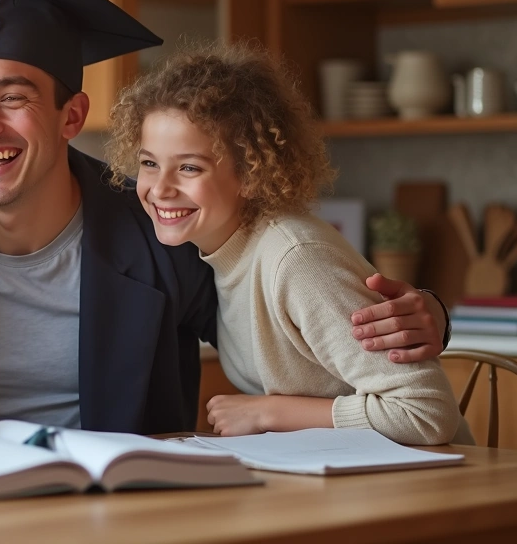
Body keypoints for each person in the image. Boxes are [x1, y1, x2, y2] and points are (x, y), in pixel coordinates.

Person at [0, 0, 451, 435]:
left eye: (13, 98)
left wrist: (428, 314)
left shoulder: (161, 234)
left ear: (72, 117)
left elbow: (282, 299)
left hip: (121, 502)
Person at [105, 42, 472, 444]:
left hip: (431, 476)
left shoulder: (296, 259)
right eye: (149, 163)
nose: (160, 188)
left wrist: (268, 413)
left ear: (249, 174)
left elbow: (425, 412)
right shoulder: (216, 254)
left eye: (189, 167)